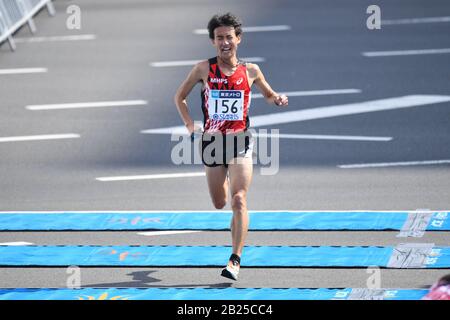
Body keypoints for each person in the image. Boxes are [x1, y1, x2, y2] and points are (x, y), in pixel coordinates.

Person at [174, 13, 288, 280]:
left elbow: (269, 95)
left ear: (239, 39)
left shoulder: (251, 71)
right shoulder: (203, 69)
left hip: (240, 141)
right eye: (219, 38)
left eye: (229, 37)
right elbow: (179, 97)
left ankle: (235, 259)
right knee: (220, 202)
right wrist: (191, 125)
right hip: (213, 144)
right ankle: (235, 220)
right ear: (213, 41)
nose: (225, 42)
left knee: (239, 200)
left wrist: (278, 99)